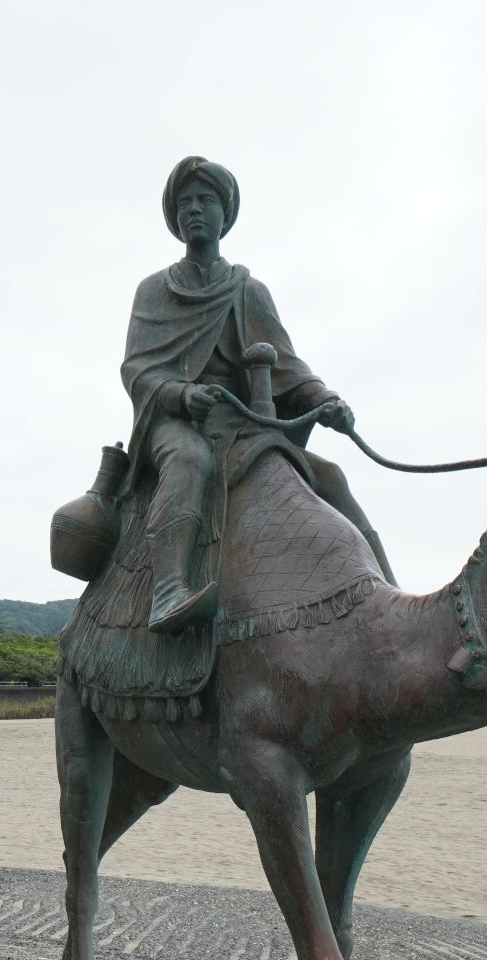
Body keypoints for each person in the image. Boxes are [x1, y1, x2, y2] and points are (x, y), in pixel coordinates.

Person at [119, 156, 394, 633]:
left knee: (330, 478)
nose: (195, 211)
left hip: (244, 423)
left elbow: (286, 365)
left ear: (226, 213)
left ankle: (388, 591)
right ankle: (168, 589)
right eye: (185, 204)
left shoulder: (249, 291)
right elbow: (137, 369)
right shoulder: (153, 291)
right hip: (177, 420)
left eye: (205, 201)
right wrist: (180, 395)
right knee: (188, 460)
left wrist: (322, 400)